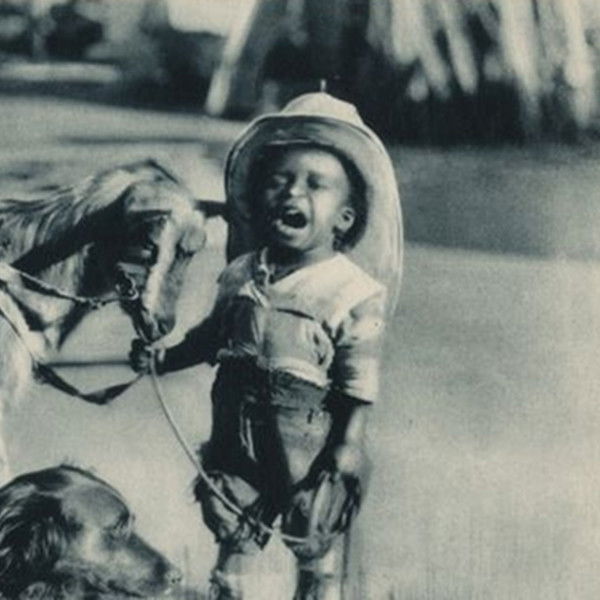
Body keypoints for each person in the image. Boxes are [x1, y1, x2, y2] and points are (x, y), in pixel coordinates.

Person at [130, 92, 402, 600]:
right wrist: (164, 358)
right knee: (232, 526)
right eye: (279, 180)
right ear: (258, 201)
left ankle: (318, 590)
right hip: (234, 434)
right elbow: (211, 336)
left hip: (306, 444)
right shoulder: (240, 273)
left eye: (315, 184)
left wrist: (347, 444)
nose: (292, 192)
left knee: (313, 536)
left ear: (345, 218)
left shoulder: (351, 292)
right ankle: (230, 590)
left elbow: (358, 383)